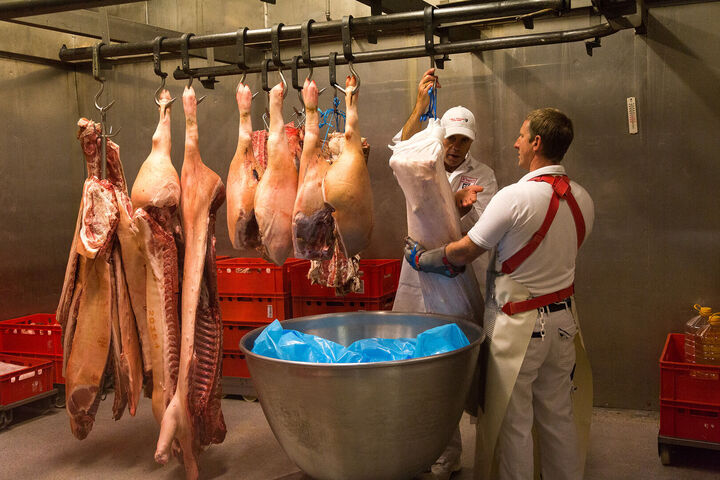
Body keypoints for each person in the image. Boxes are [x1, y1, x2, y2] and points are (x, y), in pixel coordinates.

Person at [404, 108, 594, 480]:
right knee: (558, 416)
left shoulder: (515, 196)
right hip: (565, 325)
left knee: (514, 423)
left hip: (520, 329)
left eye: (522, 136)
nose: (516, 143)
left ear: (537, 143)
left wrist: (422, 259)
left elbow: (464, 251)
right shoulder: (583, 199)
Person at [393, 67, 498, 312]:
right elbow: (401, 150)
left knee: (461, 334)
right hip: (418, 263)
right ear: (440, 137)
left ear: (472, 141)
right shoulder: (424, 163)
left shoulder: (484, 175)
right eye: (451, 138)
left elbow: (485, 228)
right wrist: (420, 106)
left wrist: (463, 208)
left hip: (459, 268)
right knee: (417, 333)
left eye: (464, 140)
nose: (456, 147)